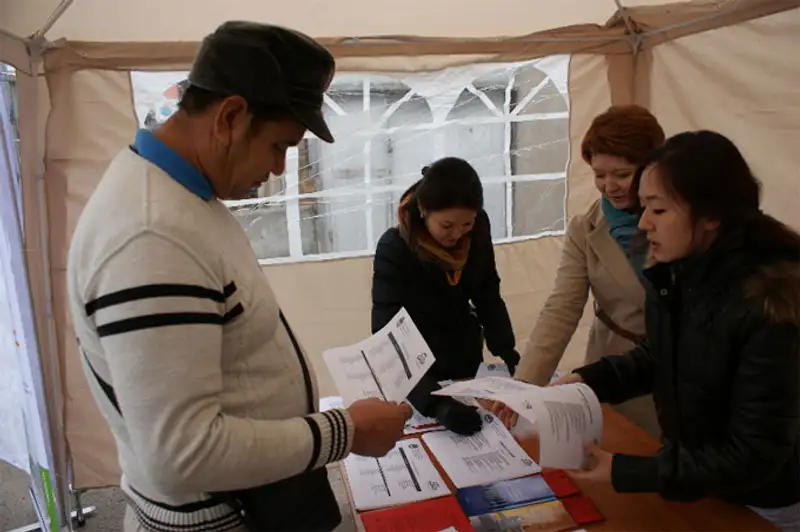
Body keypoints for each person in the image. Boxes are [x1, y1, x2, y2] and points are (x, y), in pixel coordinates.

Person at [67, 22, 411, 532]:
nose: (278, 168)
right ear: (230, 115)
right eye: (280, 146)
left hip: (255, 499)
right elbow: (181, 454)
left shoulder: (179, 198)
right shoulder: (150, 237)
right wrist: (346, 431)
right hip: (221, 517)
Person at [560, 130, 800, 530]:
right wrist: (587, 381)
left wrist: (630, 471)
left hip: (764, 503)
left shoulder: (771, 305)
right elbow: (662, 357)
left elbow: (754, 454)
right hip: (698, 479)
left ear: (711, 216)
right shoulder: (678, 271)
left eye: (658, 210)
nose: (643, 223)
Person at [508, 105, 665, 436]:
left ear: (651, 167)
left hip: (684, 368)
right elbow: (561, 309)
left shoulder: (680, 222)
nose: (609, 186)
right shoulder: (586, 228)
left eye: (621, 174)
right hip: (616, 365)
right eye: (598, 175)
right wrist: (524, 387)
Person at [371, 157, 520, 436]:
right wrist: (435, 405)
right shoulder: (395, 248)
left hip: (464, 360)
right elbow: (386, 335)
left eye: (467, 224)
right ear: (424, 211)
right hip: (416, 370)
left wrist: (506, 348)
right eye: (447, 225)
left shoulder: (476, 230)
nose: (458, 234)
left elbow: (486, 290)